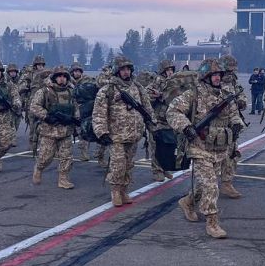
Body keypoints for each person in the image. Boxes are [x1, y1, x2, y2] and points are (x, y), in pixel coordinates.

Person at [167, 58, 244, 238]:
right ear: (205, 77)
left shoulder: (225, 96)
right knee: (211, 186)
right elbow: (172, 111)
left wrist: (236, 125)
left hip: (219, 148)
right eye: (213, 75)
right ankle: (212, 222)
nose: (217, 78)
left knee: (204, 186)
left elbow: (234, 115)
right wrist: (186, 127)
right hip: (199, 147)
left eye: (219, 75)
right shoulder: (193, 94)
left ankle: (188, 201)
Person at [92, 56, 155, 207]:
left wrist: (153, 125)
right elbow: (99, 113)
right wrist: (102, 132)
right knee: (118, 165)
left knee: (129, 165)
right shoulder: (108, 89)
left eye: (128, 69)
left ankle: (124, 190)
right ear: (116, 71)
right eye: (122, 69)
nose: (126, 72)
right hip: (116, 135)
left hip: (134, 134)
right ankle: (115, 191)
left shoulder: (137, 87)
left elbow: (147, 108)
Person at [30, 65, 79, 189]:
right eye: (59, 76)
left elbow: (76, 107)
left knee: (67, 157)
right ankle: (39, 168)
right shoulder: (45, 91)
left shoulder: (71, 91)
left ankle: (63, 179)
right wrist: (46, 116)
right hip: (49, 131)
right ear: (54, 77)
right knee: (46, 157)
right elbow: (34, 106)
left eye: (64, 76)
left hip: (66, 130)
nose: (62, 79)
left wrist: (76, 119)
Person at [218, 54, 248, 199]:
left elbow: (241, 94)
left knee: (232, 154)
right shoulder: (213, 82)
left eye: (232, 71)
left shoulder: (233, 82)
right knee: (214, 158)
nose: (231, 73)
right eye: (228, 71)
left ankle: (226, 183)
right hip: (216, 127)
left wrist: (241, 101)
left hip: (232, 125)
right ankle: (200, 191)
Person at [146, 59, 177, 182]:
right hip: (157, 121)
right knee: (157, 146)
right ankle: (157, 170)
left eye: (171, 70)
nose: (170, 72)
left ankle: (165, 168)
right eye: (167, 70)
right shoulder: (156, 82)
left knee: (168, 146)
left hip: (169, 120)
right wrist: (157, 96)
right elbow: (146, 97)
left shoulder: (174, 83)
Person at [19, 55, 47, 155]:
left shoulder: (47, 75)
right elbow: (21, 86)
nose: (40, 67)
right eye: (38, 65)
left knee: (45, 125)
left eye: (42, 65)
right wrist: (27, 87)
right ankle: (32, 143)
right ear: (35, 65)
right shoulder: (29, 74)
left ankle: (42, 145)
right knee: (32, 125)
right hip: (32, 102)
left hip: (45, 103)